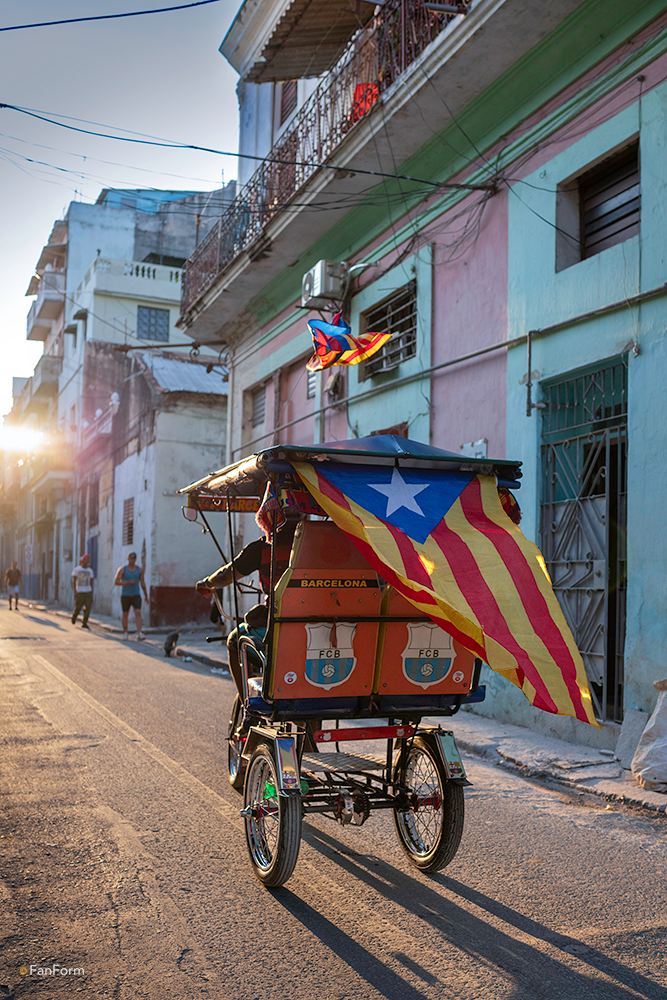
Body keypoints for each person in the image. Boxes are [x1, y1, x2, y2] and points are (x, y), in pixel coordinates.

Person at [195, 517, 300, 698]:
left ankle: (247, 703)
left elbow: (227, 574)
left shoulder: (264, 548)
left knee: (234, 640)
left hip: (279, 628)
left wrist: (206, 583)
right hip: (320, 626)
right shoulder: (323, 546)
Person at [114, 551, 148, 641]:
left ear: (136, 559)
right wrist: (128, 582)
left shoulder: (139, 570)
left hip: (136, 594)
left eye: (134, 558)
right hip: (125, 595)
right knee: (125, 614)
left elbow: (142, 582)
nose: (132, 560)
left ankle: (139, 633)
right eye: (131, 558)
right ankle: (125, 633)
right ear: (128, 559)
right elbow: (116, 582)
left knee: (138, 612)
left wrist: (146, 595)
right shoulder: (123, 569)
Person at [71, 554, 94, 629]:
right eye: (85, 559)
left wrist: (91, 591)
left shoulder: (90, 571)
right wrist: (75, 591)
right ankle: (74, 616)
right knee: (78, 607)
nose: (86, 561)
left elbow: (91, 581)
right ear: (82, 560)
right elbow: (74, 581)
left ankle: (84, 622)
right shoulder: (77, 570)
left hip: (88, 591)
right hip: (80, 591)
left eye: (88, 559)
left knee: (88, 607)